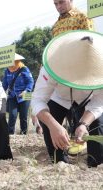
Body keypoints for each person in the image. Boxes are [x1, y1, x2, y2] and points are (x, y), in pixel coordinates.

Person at [31, 30, 103, 167]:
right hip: (59, 98)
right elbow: (37, 100)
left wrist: (83, 124)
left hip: (89, 100)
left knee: (98, 126)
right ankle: (60, 162)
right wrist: (54, 126)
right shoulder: (50, 66)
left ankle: (95, 163)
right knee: (51, 129)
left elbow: (100, 102)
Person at [2, 54, 34, 134]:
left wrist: (27, 90)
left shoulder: (24, 69)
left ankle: (23, 133)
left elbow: (30, 81)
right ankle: (10, 134)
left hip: (25, 94)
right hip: (12, 95)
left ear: (16, 62)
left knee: (23, 116)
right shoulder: (7, 71)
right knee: (12, 115)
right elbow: (5, 84)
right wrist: (1, 93)